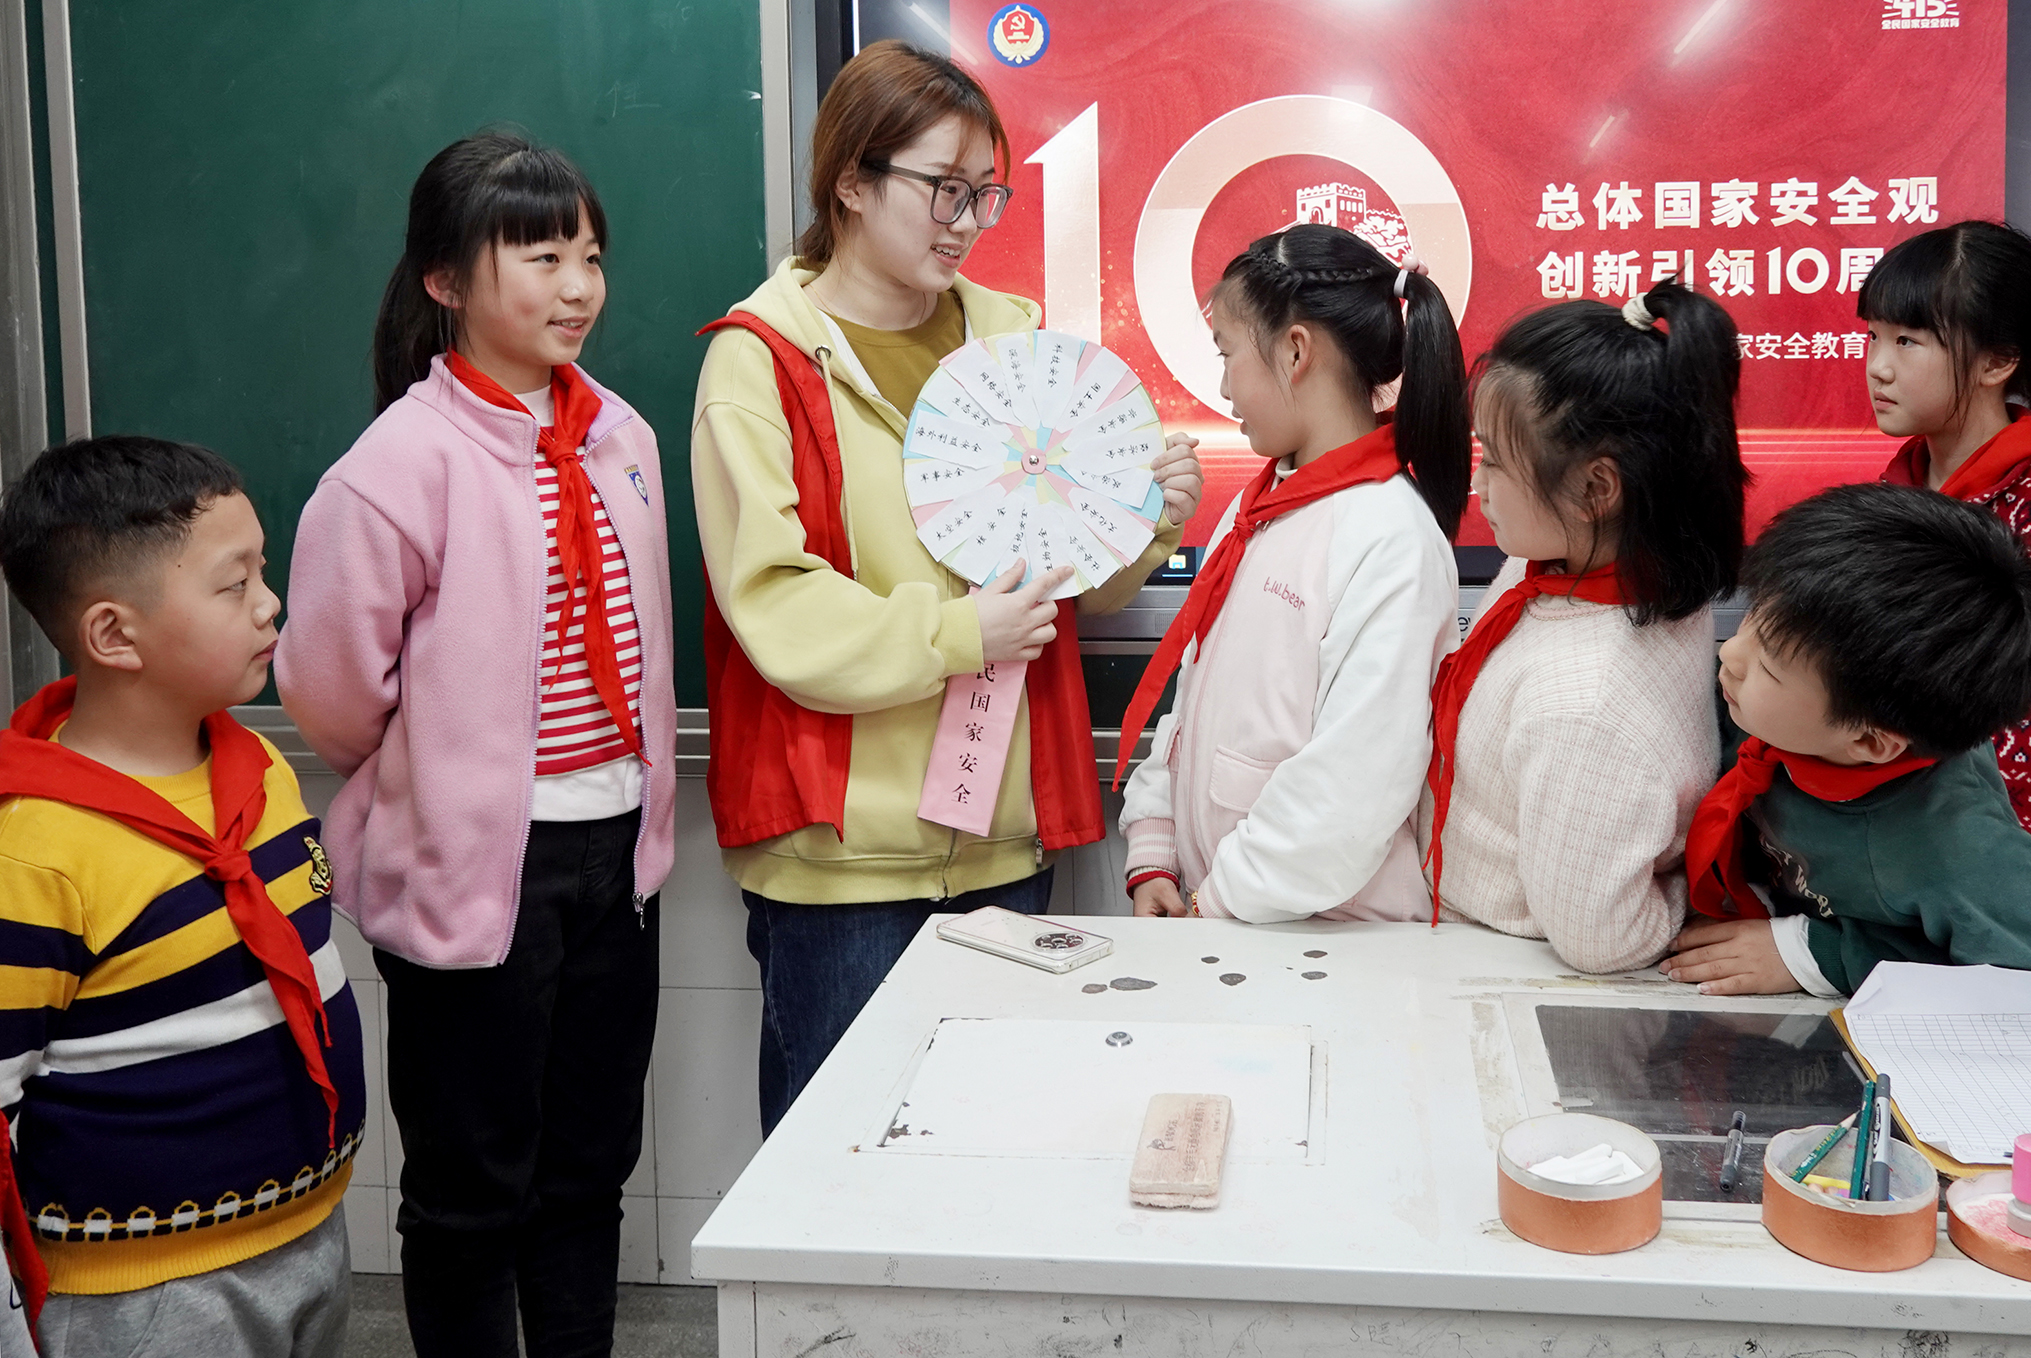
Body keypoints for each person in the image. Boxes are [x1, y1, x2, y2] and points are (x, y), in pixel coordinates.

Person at [692, 40, 1200, 1134]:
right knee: (843, 1159)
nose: (967, 221)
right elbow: (774, 603)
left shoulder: (1014, 342)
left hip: (1003, 844)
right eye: (943, 189)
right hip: (845, 863)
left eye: (985, 193)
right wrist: (960, 632)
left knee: (992, 1152)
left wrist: (1146, 516)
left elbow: (1079, 586)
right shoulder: (761, 359)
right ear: (851, 182)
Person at [276, 132, 673, 1356]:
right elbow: (331, 690)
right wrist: (442, 785)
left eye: (590, 255)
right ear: (446, 279)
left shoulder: (622, 435)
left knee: (588, 1167)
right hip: (477, 866)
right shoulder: (396, 466)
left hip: (617, 852)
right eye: (541, 256)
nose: (579, 286)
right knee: (469, 1190)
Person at [0, 436, 364, 1357]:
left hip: (309, 1231)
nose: (270, 603)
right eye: (233, 585)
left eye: (262, 571)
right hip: (143, 1294)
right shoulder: (35, 853)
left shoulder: (261, 769)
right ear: (114, 635)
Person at [1113, 224, 1467, 923]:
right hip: (1228, 922)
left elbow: (1349, 790)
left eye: (1227, 353)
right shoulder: (1259, 507)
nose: (1223, 385)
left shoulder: (1391, 537)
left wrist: (1213, 902)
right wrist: (1155, 847)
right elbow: (1192, 699)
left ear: (1295, 351)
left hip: (1324, 942)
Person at [1415, 280, 1748, 972]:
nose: (1479, 485)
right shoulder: (1574, 564)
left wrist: (1676, 894)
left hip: (1493, 959)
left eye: (1495, 461)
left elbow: (1600, 940)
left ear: (1596, 489)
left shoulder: (1584, 707)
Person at [1664, 483, 2031, 995]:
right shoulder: (1776, 704)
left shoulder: (1958, 855)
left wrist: (1822, 955)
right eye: (1753, 616)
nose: (1731, 655)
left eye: (1768, 667)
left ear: (1871, 744)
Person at [1863, 221, 2031, 858]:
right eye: (1872, 336)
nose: (1878, 367)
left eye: (1907, 341)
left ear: (1997, 361)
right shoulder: (1891, 492)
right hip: (1900, 833)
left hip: (2019, 849)